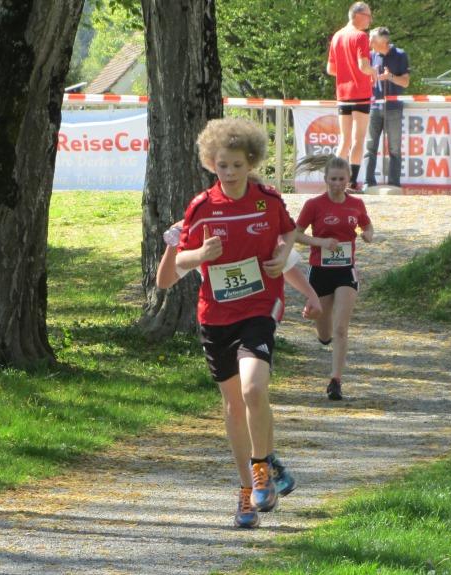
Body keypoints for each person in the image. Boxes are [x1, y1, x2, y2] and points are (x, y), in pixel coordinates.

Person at [175, 117, 297, 529]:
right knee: (233, 406)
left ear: (252, 162)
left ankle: (262, 468)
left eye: (237, 165)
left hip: (259, 305)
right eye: (222, 165)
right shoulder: (202, 207)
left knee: (253, 388)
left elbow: (289, 232)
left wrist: (282, 255)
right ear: (211, 162)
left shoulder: (267, 200)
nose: (229, 173)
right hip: (216, 314)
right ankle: (246, 490)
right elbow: (181, 258)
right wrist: (200, 256)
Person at [294, 154, 375, 401]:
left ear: (349, 179)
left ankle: (335, 380)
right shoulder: (313, 205)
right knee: (325, 330)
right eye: (333, 179)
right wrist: (320, 242)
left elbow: (367, 226)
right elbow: (296, 234)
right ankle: (324, 336)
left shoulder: (356, 204)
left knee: (341, 328)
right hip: (320, 270)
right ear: (326, 179)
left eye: (342, 179)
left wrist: (368, 235)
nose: (337, 184)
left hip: (345, 270)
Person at [157, 220, 323, 320]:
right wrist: (174, 242)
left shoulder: (260, 228)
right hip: (218, 318)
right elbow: (164, 281)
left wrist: (312, 295)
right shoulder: (197, 230)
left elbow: (286, 267)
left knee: (254, 365)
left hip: (259, 314)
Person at [327, 2, 377, 190]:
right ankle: (351, 182)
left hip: (343, 94)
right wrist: (373, 72)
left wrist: (346, 71)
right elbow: (364, 66)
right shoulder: (360, 36)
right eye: (368, 16)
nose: (370, 20)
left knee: (344, 140)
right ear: (358, 15)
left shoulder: (337, 36)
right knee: (358, 140)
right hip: (360, 93)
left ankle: (334, 180)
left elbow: (331, 69)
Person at [363, 26, 410, 189]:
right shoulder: (371, 55)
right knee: (370, 146)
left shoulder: (400, 55)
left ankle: (394, 184)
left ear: (383, 42)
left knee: (394, 148)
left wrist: (389, 77)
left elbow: (405, 82)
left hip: (393, 108)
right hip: (374, 106)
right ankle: (368, 182)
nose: (369, 43)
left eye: (372, 40)